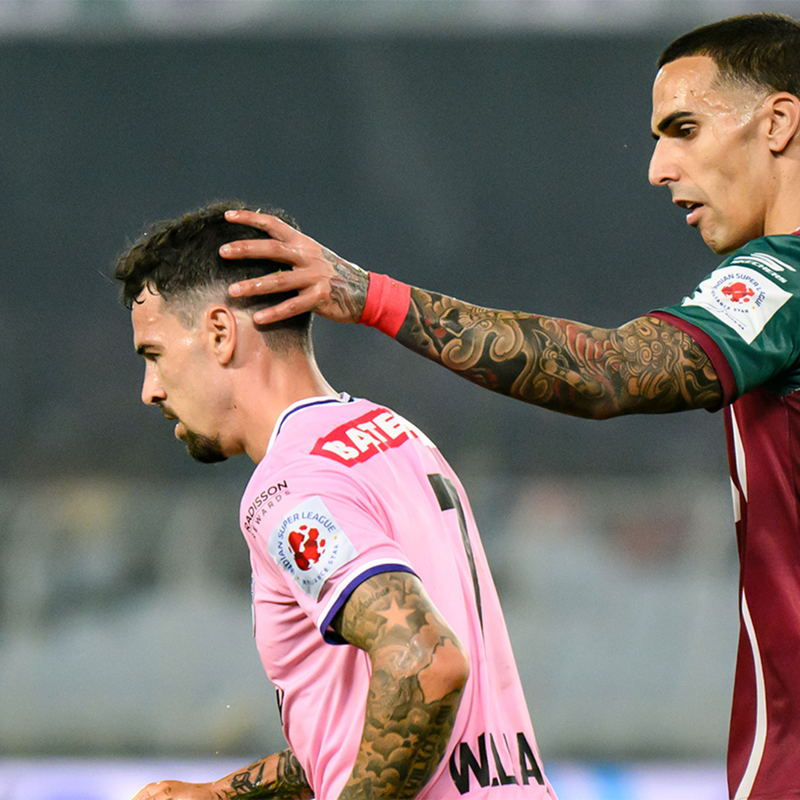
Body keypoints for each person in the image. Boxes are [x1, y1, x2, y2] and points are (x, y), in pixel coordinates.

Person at [217, 13, 800, 800]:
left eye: (685, 129)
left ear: (779, 122)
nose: (660, 167)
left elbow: (610, 372)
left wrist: (372, 296)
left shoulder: (784, 280)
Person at [116, 201, 555, 800]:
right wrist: (225, 794)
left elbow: (425, 664)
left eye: (154, 355)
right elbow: (366, 728)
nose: (150, 390)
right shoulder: (396, 436)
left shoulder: (288, 487)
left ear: (220, 332)